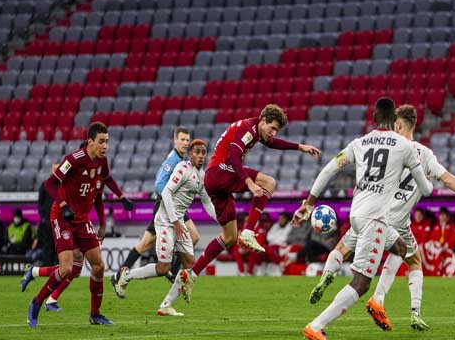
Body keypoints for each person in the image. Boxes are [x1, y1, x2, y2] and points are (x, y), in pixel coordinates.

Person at [309, 104, 455, 332]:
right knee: (409, 260)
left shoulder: (378, 144)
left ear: (399, 124)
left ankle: (328, 274)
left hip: (367, 212)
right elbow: (447, 180)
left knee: (343, 247)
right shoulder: (421, 153)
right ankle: (389, 303)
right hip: (393, 219)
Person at [294, 97, 434, 340]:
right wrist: (429, 183)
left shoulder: (359, 143)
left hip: (356, 215)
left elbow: (328, 169)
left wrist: (309, 203)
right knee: (361, 283)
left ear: (373, 117)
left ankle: (378, 298)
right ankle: (316, 326)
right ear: (394, 120)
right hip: (376, 220)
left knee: (402, 248)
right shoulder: (405, 146)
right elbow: (425, 189)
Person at [176, 104, 321, 300]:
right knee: (269, 182)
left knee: (229, 237)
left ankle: (191, 275)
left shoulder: (258, 131)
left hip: (215, 180)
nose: (273, 133)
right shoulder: (248, 129)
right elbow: (234, 157)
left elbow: (272, 143)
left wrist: (300, 147)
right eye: (272, 128)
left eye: (276, 130)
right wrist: (250, 183)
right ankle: (250, 230)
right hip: (220, 171)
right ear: (263, 121)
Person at [25, 122, 129, 327]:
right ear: (90, 142)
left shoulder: (102, 162)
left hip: (82, 219)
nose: (105, 146)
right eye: (101, 142)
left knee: (99, 266)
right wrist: (63, 204)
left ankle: (95, 314)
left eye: (107, 142)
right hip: (62, 217)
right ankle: (37, 302)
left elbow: (107, 180)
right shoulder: (73, 159)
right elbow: (50, 184)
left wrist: (122, 196)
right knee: (65, 269)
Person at [116, 140, 215, 315]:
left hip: (178, 222)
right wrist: (176, 221)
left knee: (189, 264)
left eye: (203, 152)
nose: (200, 156)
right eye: (197, 152)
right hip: (165, 221)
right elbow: (167, 192)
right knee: (163, 268)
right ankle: (126, 276)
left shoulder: (201, 176)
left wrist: (223, 221)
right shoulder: (182, 169)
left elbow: (207, 202)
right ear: (190, 154)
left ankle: (165, 305)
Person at [111, 127, 199, 297]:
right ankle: (119, 275)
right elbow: (159, 184)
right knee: (146, 243)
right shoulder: (172, 159)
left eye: (187, 140)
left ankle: (171, 271)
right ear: (175, 140)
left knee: (192, 236)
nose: (185, 143)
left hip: (175, 207)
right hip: (166, 207)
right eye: (182, 139)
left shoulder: (180, 160)